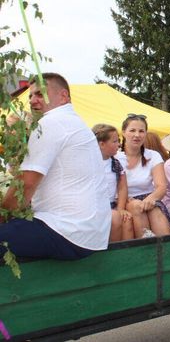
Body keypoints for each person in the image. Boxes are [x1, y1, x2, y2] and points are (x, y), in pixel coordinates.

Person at [0, 73, 110, 259]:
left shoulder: (51, 122)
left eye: (40, 94)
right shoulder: (75, 123)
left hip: (66, 231)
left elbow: (25, 186)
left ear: (64, 96)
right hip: (89, 233)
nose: (33, 101)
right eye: (30, 96)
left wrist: (3, 217)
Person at [117, 114, 170, 237]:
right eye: (132, 130)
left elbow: (161, 186)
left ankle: (168, 249)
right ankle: (147, 250)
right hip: (125, 200)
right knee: (136, 207)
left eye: (141, 131)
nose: (137, 135)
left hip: (150, 198)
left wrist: (150, 199)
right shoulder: (115, 157)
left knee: (155, 211)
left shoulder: (153, 155)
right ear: (124, 132)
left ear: (145, 134)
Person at [92, 124, 134, 241]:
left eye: (118, 141)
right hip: (94, 207)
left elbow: (122, 187)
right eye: (115, 141)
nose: (119, 144)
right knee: (114, 219)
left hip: (111, 205)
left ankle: (126, 255)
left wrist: (120, 208)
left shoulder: (115, 163)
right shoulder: (90, 164)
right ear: (101, 144)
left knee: (126, 220)